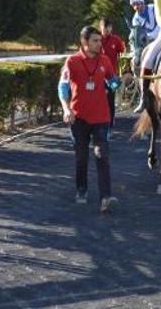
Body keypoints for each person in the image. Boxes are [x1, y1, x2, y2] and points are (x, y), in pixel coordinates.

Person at [58, 26, 121, 213]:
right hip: (78, 118)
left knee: (102, 155)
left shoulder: (105, 60)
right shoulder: (72, 61)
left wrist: (116, 82)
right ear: (84, 42)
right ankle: (81, 189)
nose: (99, 44)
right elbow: (62, 87)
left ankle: (106, 198)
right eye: (95, 41)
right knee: (81, 157)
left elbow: (112, 81)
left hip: (101, 117)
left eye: (100, 40)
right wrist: (66, 109)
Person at [99, 18, 125, 135]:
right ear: (101, 28)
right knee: (98, 99)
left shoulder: (116, 39)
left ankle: (110, 124)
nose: (107, 30)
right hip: (97, 75)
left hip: (112, 75)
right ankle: (99, 123)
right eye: (105, 28)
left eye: (109, 28)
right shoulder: (96, 39)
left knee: (110, 99)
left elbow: (122, 52)